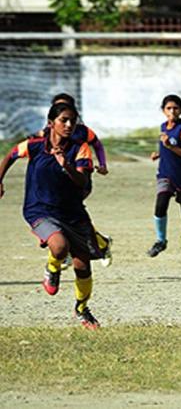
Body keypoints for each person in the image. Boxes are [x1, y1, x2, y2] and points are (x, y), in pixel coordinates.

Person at [0, 102, 102, 329]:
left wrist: (66, 165)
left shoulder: (80, 148)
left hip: (73, 213)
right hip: (39, 209)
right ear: (51, 123)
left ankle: (82, 309)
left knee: (83, 266)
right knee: (59, 246)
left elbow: (83, 181)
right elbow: (11, 155)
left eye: (72, 121)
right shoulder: (35, 145)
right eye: (63, 120)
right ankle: (52, 268)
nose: (69, 125)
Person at [40, 93, 112, 268]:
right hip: (58, 183)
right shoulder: (48, 131)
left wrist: (102, 164)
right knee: (62, 214)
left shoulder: (82, 131)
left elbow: (97, 145)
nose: (67, 122)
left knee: (64, 213)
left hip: (79, 181)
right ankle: (101, 243)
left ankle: (65, 253)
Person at [147, 94, 181, 266]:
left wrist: (170, 147)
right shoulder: (163, 127)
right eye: (169, 108)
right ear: (163, 110)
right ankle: (161, 241)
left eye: (175, 108)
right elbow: (167, 147)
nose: (172, 111)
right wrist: (160, 154)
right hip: (165, 175)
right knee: (161, 204)